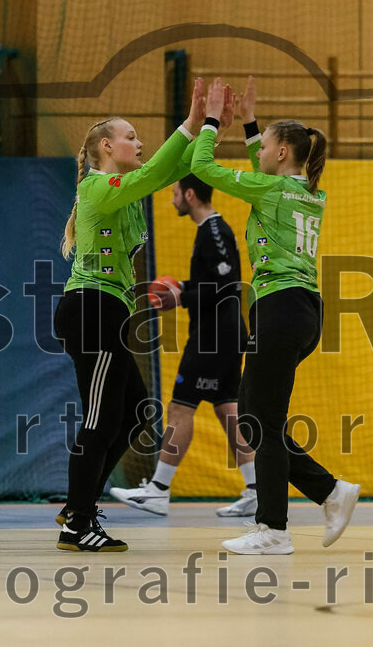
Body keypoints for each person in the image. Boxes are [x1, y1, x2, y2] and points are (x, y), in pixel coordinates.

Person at [190, 77, 360, 555]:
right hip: (301, 312)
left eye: (264, 145)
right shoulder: (306, 191)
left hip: (281, 309)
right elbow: (263, 172)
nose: (258, 151)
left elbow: (201, 165)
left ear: (282, 153)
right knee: (255, 417)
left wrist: (210, 120)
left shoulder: (270, 191)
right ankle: (329, 492)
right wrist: (248, 123)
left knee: (259, 419)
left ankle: (274, 529)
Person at [52, 79, 211, 552]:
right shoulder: (98, 186)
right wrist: (188, 124)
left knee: (138, 410)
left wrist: (208, 125)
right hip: (91, 309)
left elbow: (177, 167)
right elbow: (160, 167)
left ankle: (76, 505)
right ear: (107, 147)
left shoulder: (125, 192)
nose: (139, 143)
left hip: (110, 310)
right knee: (100, 420)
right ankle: (77, 522)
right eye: (131, 136)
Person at [109, 174, 256, 518]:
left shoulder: (214, 230)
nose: (171, 199)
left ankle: (158, 490)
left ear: (190, 194)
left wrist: (181, 296)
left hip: (214, 337)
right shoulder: (208, 231)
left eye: (174, 193)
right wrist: (184, 288)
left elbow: (226, 285)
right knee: (227, 409)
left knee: (180, 407)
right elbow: (213, 282)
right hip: (222, 332)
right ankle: (256, 490)